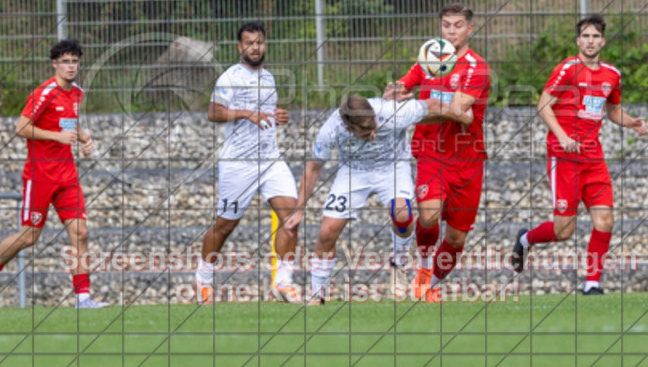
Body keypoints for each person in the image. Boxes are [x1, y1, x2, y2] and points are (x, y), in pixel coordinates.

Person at [285, 94, 473, 305]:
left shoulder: (390, 112)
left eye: (374, 127)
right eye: (366, 133)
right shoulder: (331, 129)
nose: (373, 135)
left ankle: (399, 264)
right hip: (353, 172)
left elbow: (432, 105)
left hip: (392, 168)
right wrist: (299, 209)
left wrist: (463, 117)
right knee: (327, 232)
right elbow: (313, 168)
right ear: (348, 128)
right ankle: (316, 294)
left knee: (403, 214)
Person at [511, 13, 648, 295]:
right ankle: (525, 239)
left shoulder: (612, 74)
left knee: (605, 220)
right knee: (564, 231)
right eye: (585, 36)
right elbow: (543, 105)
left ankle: (592, 283)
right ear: (578, 40)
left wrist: (631, 121)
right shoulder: (567, 69)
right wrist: (562, 137)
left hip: (593, 159)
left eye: (595, 36)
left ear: (603, 41)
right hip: (564, 159)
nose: (590, 41)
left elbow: (612, 110)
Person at [0, 39, 107, 309]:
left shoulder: (77, 93)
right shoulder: (44, 92)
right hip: (40, 174)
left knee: (81, 233)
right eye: (65, 62)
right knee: (29, 236)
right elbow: (21, 127)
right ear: (55, 64)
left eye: (75, 61)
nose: (71, 67)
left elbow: (69, 123)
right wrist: (57, 136)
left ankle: (83, 298)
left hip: (67, 174)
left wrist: (83, 137)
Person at [384, 3, 491, 302]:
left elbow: (461, 110)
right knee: (429, 216)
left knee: (456, 237)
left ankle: (430, 283)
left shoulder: (477, 67)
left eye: (458, 25)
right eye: (446, 25)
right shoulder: (426, 62)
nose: (451, 31)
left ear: (470, 29)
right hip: (431, 152)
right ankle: (423, 270)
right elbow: (398, 91)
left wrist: (416, 109)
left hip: (468, 159)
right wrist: (393, 94)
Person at [195, 22, 300, 304]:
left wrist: (278, 116)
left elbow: (265, 114)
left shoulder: (269, 78)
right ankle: (203, 279)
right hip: (238, 163)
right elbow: (213, 113)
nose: (256, 48)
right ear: (240, 47)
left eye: (260, 42)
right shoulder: (230, 77)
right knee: (225, 225)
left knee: (291, 218)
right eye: (250, 43)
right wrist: (247, 114)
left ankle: (283, 283)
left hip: (270, 158)